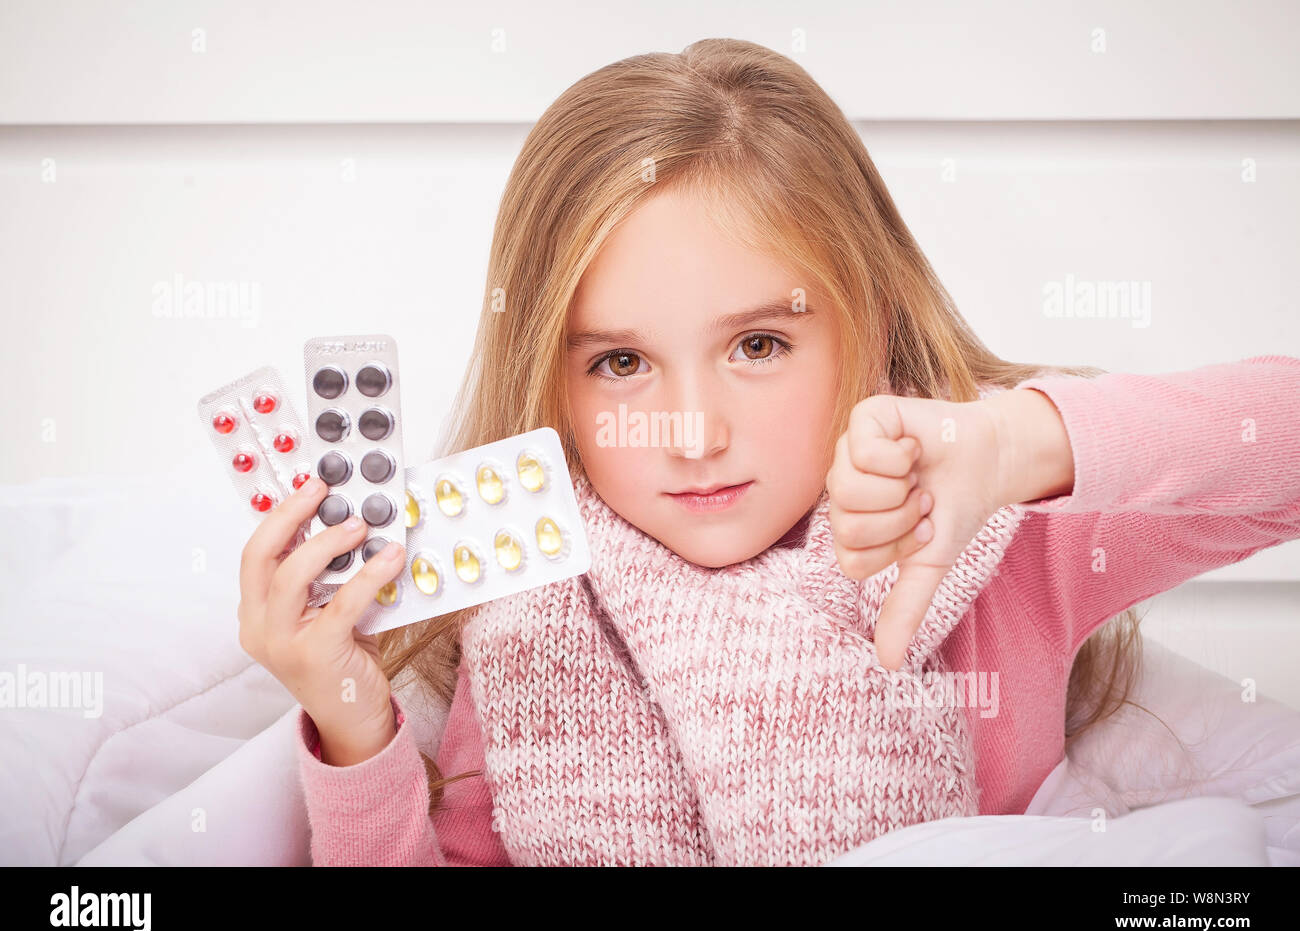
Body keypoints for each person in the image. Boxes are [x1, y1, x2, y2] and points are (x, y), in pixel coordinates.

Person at [236, 38, 1300, 866]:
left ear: (872, 318)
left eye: (758, 344)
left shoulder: (988, 532)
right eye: (619, 363)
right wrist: (354, 724)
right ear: (549, 378)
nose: (693, 433)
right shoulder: (529, 609)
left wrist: (1025, 441)